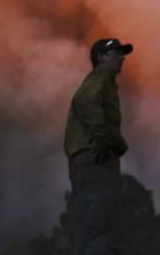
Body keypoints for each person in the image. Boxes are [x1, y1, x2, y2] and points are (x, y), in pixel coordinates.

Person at [64, 38, 134, 255]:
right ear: (101, 57)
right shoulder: (101, 76)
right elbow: (83, 101)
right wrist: (104, 139)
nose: (122, 58)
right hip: (96, 160)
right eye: (116, 53)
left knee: (89, 223)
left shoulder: (104, 81)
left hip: (88, 160)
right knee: (101, 223)